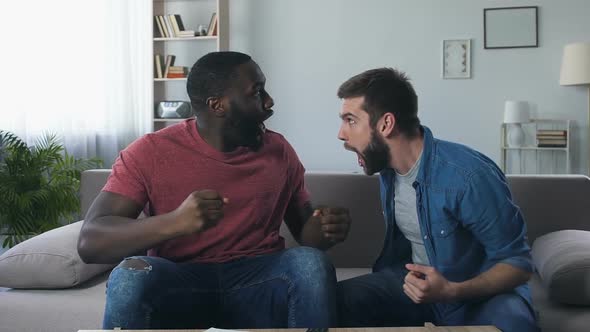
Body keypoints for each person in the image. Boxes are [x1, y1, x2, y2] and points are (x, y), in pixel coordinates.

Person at [77, 51, 351, 329]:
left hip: (258, 280)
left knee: (311, 263)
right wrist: (175, 223)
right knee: (131, 275)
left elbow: (306, 232)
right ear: (217, 105)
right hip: (181, 282)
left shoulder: (279, 152)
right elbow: (91, 243)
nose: (269, 102)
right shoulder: (148, 152)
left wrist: (323, 228)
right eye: (257, 93)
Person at [335, 68, 539, 331]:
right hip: (418, 286)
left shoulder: (468, 177)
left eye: (350, 120)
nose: (341, 133)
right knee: (336, 300)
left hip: (478, 294)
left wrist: (453, 291)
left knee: (516, 324)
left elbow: (518, 265)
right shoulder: (388, 170)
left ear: (386, 124)